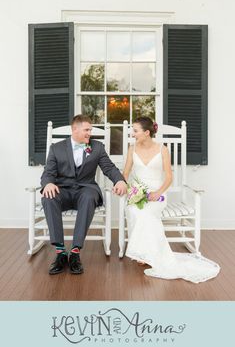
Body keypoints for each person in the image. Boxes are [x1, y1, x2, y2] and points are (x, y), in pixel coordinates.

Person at [123, 116, 220, 283]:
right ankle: (144, 252)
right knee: (134, 210)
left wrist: (157, 192)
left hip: (158, 194)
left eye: (135, 130)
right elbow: (125, 173)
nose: (133, 133)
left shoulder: (163, 149)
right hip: (137, 192)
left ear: (146, 132)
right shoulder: (132, 149)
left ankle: (147, 253)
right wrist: (124, 186)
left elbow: (169, 177)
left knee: (147, 213)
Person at [41, 114, 127, 275]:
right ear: (75, 129)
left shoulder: (97, 147)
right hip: (63, 190)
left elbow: (109, 168)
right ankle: (60, 252)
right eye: (87, 129)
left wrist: (120, 181)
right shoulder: (56, 148)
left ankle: (74, 252)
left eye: (90, 129)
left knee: (88, 197)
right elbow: (48, 173)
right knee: (48, 196)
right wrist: (48, 183)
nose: (90, 133)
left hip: (86, 189)